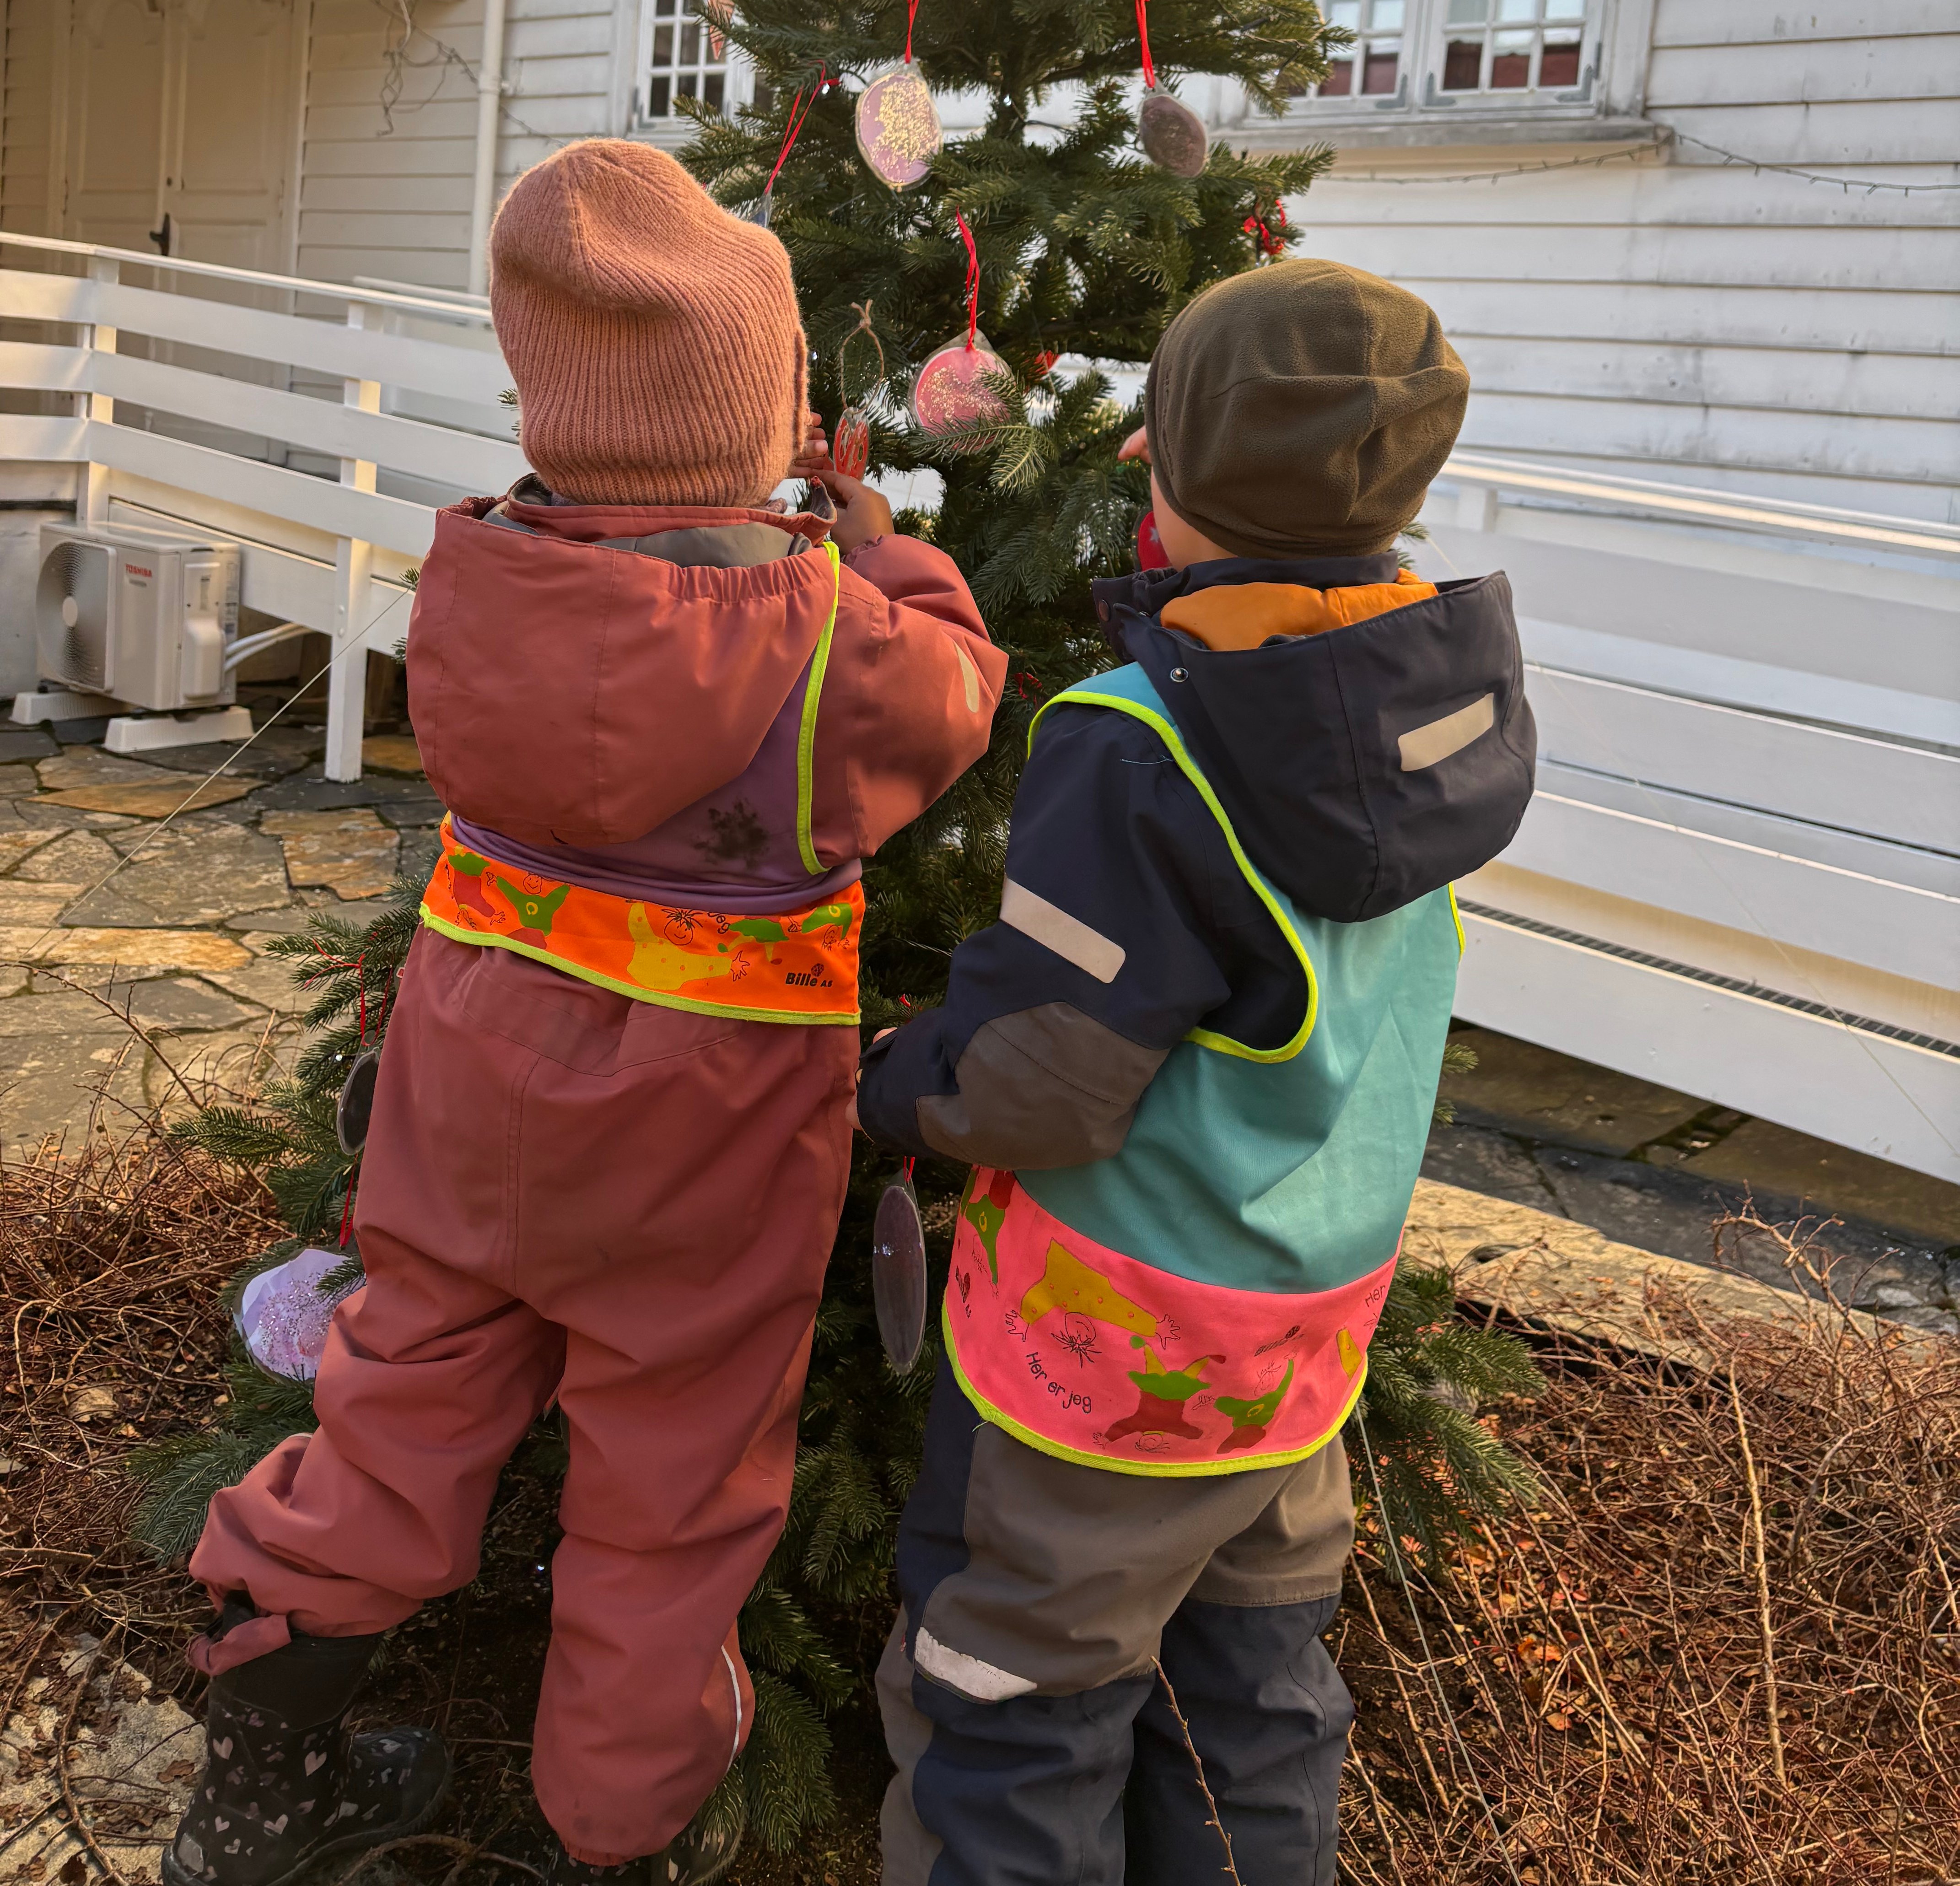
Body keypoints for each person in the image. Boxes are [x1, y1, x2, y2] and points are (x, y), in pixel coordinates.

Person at [170, 141, 1007, 1886]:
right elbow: (955, 704)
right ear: (761, 415)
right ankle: (621, 1832)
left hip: (472, 1085)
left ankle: (256, 1786)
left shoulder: (474, 576)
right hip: (707, 1133)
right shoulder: (830, 634)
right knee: (673, 1489)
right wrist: (893, 558)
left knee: (395, 1398)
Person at [856, 258, 1535, 1886]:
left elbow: (1042, 1079)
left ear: (1165, 479)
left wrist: (887, 1083)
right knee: (1254, 1702)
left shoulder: (1138, 735)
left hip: (1110, 1356)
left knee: (1011, 1698)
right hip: (1303, 1340)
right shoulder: (1435, 700)